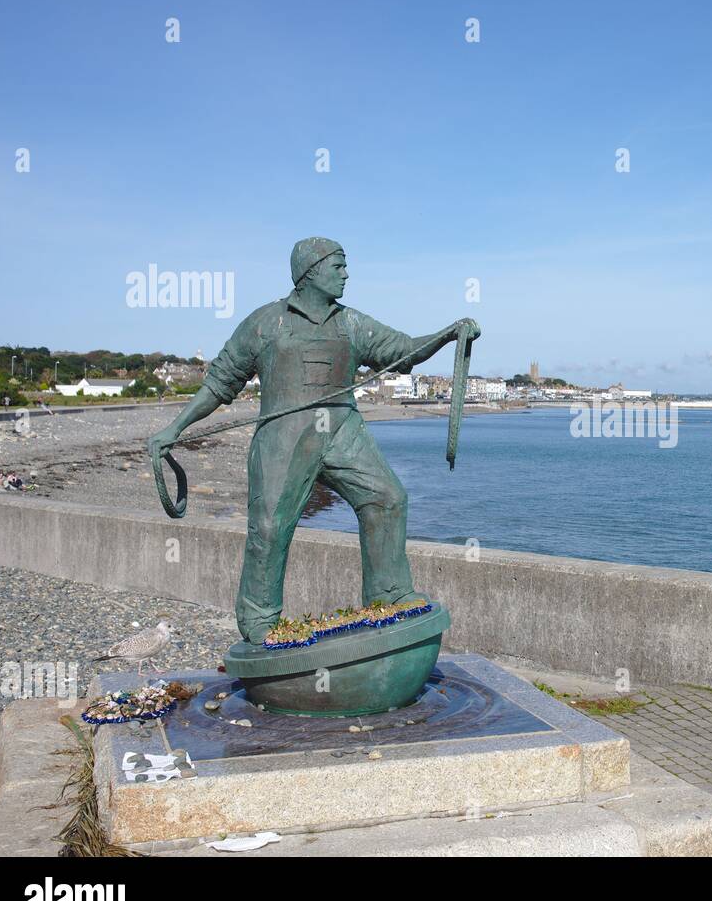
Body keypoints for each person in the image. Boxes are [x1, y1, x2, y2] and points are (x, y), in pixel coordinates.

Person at [148, 237, 479, 644]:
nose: (346, 274)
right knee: (269, 526)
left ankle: (388, 596)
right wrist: (174, 429)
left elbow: (402, 350)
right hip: (284, 435)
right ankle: (259, 620)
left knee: (387, 497)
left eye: (345, 266)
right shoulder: (266, 322)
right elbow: (220, 382)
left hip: (343, 429)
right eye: (338, 266)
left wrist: (449, 333)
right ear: (310, 271)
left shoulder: (352, 323)